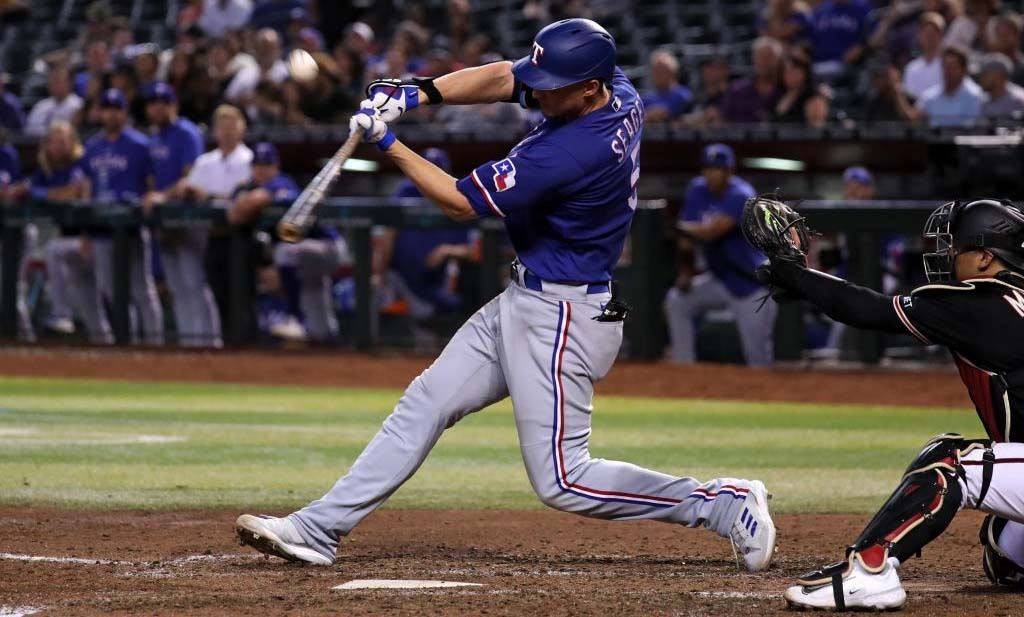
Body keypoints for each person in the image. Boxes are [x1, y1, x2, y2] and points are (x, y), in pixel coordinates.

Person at [235, 18, 776, 571]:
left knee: (564, 480)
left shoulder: (573, 151)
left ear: (589, 87)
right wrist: (418, 91)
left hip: (563, 315)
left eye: (551, 84)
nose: (537, 90)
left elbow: (458, 202)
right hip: (529, 298)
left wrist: (389, 141)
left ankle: (722, 505)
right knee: (427, 401)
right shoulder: (614, 88)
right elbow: (503, 76)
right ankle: (319, 527)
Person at [752, 197, 1024, 610]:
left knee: (948, 461)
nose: (947, 256)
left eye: (957, 248)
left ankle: (870, 570)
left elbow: (869, 309)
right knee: (1006, 550)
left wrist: (798, 274)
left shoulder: (983, 303)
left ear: (986, 257)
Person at [664, 144, 776, 366]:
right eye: (707, 168)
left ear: (729, 171)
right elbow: (686, 240)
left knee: (759, 361)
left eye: (717, 168)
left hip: (751, 286)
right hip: (720, 279)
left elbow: (712, 233)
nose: (710, 174)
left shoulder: (742, 195)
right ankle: (684, 370)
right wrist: (685, 272)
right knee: (677, 301)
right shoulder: (697, 189)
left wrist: (679, 227)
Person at [228, 142, 349, 342]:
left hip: (327, 246)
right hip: (306, 253)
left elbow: (250, 204)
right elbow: (235, 212)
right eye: (257, 165)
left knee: (284, 253)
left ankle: (296, 319)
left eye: (266, 165)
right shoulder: (248, 186)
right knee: (314, 291)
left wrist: (240, 204)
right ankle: (328, 338)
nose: (261, 170)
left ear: (276, 167)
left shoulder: (281, 183)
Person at [140, 82, 221, 348]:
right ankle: (190, 343)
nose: (158, 107)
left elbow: (190, 177)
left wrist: (163, 198)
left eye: (164, 102)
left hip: (189, 216)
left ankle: (208, 342)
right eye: (153, 103)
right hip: (165, 218)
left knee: (193, 281)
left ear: (173, 105)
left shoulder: (186, 133)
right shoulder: (154, 138)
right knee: (176, 285)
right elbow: (151, 180)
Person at [82, 89, 163, 345]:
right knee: (110, 290)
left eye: (116, 108)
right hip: (101, 228)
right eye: (106, 108)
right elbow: (87, 189)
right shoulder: (92, 147)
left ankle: (154, 343)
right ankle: (125, 341)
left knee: (141, 289)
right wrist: (85, 231)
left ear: (125, 112)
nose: (111, 113)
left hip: (133, 228)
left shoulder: (140, 144)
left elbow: (151, 185)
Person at [18, 121, 111, 343]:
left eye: (64, 140)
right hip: (74, 244)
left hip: (97, 237)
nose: (59, 146)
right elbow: (26, 188)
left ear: (73, 142)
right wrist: (28, 190)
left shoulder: (80, 163)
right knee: (89, 299)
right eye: (54, 141)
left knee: (116, 294)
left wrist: (37, 193)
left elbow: (71, 192)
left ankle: (61, 313)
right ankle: (106, 344)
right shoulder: (48, 170)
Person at [376, 147, 478, 348]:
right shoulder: (406, 191)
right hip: (400, 277)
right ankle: (367, 352)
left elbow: (474, 251)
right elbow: (387, 236)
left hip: (435, 282)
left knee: (429, 341)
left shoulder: (457, 196)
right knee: (372, 297)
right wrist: (378, 273)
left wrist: (448, 250)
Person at [172, 104, 252, 342]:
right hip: (211, 237)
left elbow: (241, 198)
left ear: (242, 129)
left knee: (241, 295)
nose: (227, 132)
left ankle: (245, 346)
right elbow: (188, 189)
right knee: (216, 293)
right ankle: (221, 345)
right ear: (215, 131)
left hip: (242, 237)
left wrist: (207, 196)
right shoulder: (205, 161)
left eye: (232, 126)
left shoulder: (250, 159)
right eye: (222, 127)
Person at [916, 44, 985, 126]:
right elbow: (914, 119)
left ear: (964, 70)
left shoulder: (975, 97)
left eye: (953, 67)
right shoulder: (929, 96)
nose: (948, 72)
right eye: (945, 67)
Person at [720, 37, 783, 123]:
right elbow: (723, 121)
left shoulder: (785, 90)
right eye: (760, 56)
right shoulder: (737, 90)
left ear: (778, 61)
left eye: (769, 56)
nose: (764, 61)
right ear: (753, 59)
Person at [810, 0, 872, 78]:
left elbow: (872, 37)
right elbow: (811, 40)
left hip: (849, 67)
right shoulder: (822, 9)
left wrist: (862, 48)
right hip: (819, 65)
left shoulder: (861, 7)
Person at [24, 66, 84, 136]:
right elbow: (29, 130)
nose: (54, 85)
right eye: (52, 81)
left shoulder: (79, 105)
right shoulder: (41, 105)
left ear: (69, 83)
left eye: (58, 81)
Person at [903, 12, 947, 99]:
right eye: (925, 31)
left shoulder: (948, 67)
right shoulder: (911, 68)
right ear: (919, 35)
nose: (930, 36)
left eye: (935, 32)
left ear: (942, 36)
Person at [641, 50, 692, 123]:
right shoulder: (647, 98)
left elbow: (664, 113)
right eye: (655, 71)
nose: (657, 75)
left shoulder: (683, 94)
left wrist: (648, 115)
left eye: (661, 71)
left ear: (673, 72)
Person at [979, 52, 1024, 119]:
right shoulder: (983, 99)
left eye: (986, 73)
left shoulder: (1018, 100)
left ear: (999, 75)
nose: (982, 77)